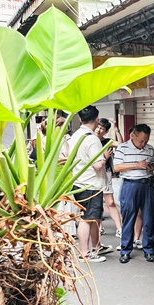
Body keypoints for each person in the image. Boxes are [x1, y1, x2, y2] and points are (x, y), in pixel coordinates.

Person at [68, 105, 109, 263]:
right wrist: (104, 156)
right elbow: (98, 165)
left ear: (80, 119)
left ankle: (95, 247)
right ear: (97, 119)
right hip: (91, 183)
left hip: (79, 181)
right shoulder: (92, 139)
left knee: (90, 217)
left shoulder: (76, 135)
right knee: (87, 218)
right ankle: (85, 253)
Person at [113, 124, 154, 263]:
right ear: (133, 135)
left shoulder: (150, 149)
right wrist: (136, 165)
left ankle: (149, 250)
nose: (143, 144)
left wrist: (151, 166)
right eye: (141, 141)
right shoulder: (122, 148)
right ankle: (125, 250)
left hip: (147, 184)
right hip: (130, 185)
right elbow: (117, 167)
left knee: (149, 219)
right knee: (128, 218)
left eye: (146, 140)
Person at [94, 118, 123, 239]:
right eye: (98, 127)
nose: (99, 130)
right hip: (93, 173)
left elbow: (121, 145)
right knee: (96, 202)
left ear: (105, 131)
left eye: (102, 129)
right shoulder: (90, 140)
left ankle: (119, 228)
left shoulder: (107, 141)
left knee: (110, 202)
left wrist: (116, 129)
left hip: (105, 173)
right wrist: (104, 157)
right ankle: (99, 228)